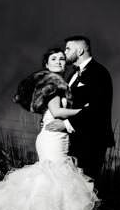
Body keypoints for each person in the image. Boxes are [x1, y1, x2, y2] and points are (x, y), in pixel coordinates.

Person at [0, 47, 103, 210]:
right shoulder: (54, 83)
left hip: (54, 137)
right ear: (46, 64)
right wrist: (89, 111)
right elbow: (57, 113)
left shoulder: (56, 83)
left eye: (62, 58)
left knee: (54, 183)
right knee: (54, 182)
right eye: (53, 59)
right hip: (52, 139)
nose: (59, 61)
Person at [45, 35, 115, 180]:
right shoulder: (72, 75)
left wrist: (65, 124)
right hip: (70, 141)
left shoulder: (99, 73)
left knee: (85, 189)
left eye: (68, 49)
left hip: (91, 140)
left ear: (80, 51)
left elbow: (99, 109)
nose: (65, 53)